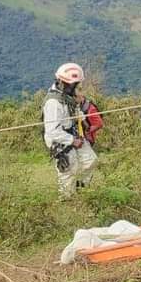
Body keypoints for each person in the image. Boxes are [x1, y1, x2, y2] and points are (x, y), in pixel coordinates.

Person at [42, 63, 97, 199]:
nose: (74, 88)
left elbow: (74, 110)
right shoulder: (53, 103)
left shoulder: (67, 95)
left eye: (75, 84)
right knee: (68, 172)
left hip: (73, 133)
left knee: (91, 160)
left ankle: (82, 190)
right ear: (61, 82)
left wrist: (83, 120)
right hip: (60, 141)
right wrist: (72, 141)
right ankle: (68, 200)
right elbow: (52, 131)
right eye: (71, 85)